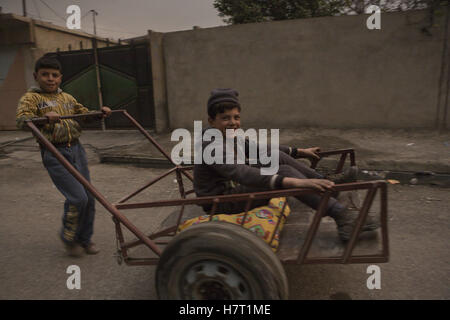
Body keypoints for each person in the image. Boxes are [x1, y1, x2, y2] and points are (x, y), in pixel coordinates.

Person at [193, 88, 379, 241]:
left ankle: (327, 183)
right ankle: (342, 216)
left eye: (236, 117)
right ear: (211, 121)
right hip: (222, 201)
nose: (233, 123)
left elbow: (258, 148)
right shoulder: (211, 144)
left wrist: (299, 152)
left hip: (233, 189)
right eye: (225, 118)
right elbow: (241, 172)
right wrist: (293, 182)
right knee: (284, 172)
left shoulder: (227, 135)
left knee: (273, 155)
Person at [16, 56, 112, 257]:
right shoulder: (31, 98)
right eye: (45, 75)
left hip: (77, 149)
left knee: (90, 197)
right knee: (78, 198)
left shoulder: (67, 98)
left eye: (54, 75)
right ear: (36, 76)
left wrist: (99, 113)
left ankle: (85, 239)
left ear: (60, 78)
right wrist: (43, 119)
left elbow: (83, 114)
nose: (50, 79)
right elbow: (23, 121)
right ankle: (68, 237)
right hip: (54, 152)